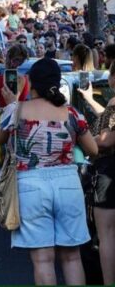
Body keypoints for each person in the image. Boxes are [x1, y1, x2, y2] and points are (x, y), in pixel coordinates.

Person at [0, 58, 98, 285]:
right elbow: (93, 149)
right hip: (67, 183)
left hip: (30, 184)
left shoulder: (17, 110)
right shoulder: (71, 113)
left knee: (43, 260)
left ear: (29, 81)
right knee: (72, 257)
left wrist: (12, 102)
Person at [77, 63, 115, 285]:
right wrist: (90, 99)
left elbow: (109, 139)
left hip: (109, 169)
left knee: (107, 235)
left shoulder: (113, 102)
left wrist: (89, 140)